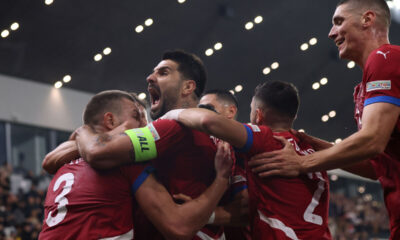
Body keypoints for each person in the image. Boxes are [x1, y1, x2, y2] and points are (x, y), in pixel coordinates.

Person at [245, 0, 400, 238]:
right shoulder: (362, 89)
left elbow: (373, 141)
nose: (331, 33)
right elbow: (375, 166)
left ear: (367, 19)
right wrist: (315, 144)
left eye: (339, 22)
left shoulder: (386, 58)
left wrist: (303, 163)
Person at [39, 90, 232, 240]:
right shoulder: (123, 162)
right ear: (110, 120)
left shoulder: (63, 166)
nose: (146, 126)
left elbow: (48, 162)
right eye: (137, 116)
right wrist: (221, 179)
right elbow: (178, 228)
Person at [161, 81, 332, 239]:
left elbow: (208, 121)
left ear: (258, 115)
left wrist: (170, 114)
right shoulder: (315, 152)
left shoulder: (266, 139)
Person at [198, 89, 250, 240]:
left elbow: (244, 209)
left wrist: (195, 214)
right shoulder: (209, 145)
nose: (201, 114)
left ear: (230, 111)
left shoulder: (241, 148)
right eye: (199, 109)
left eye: (208, 108)